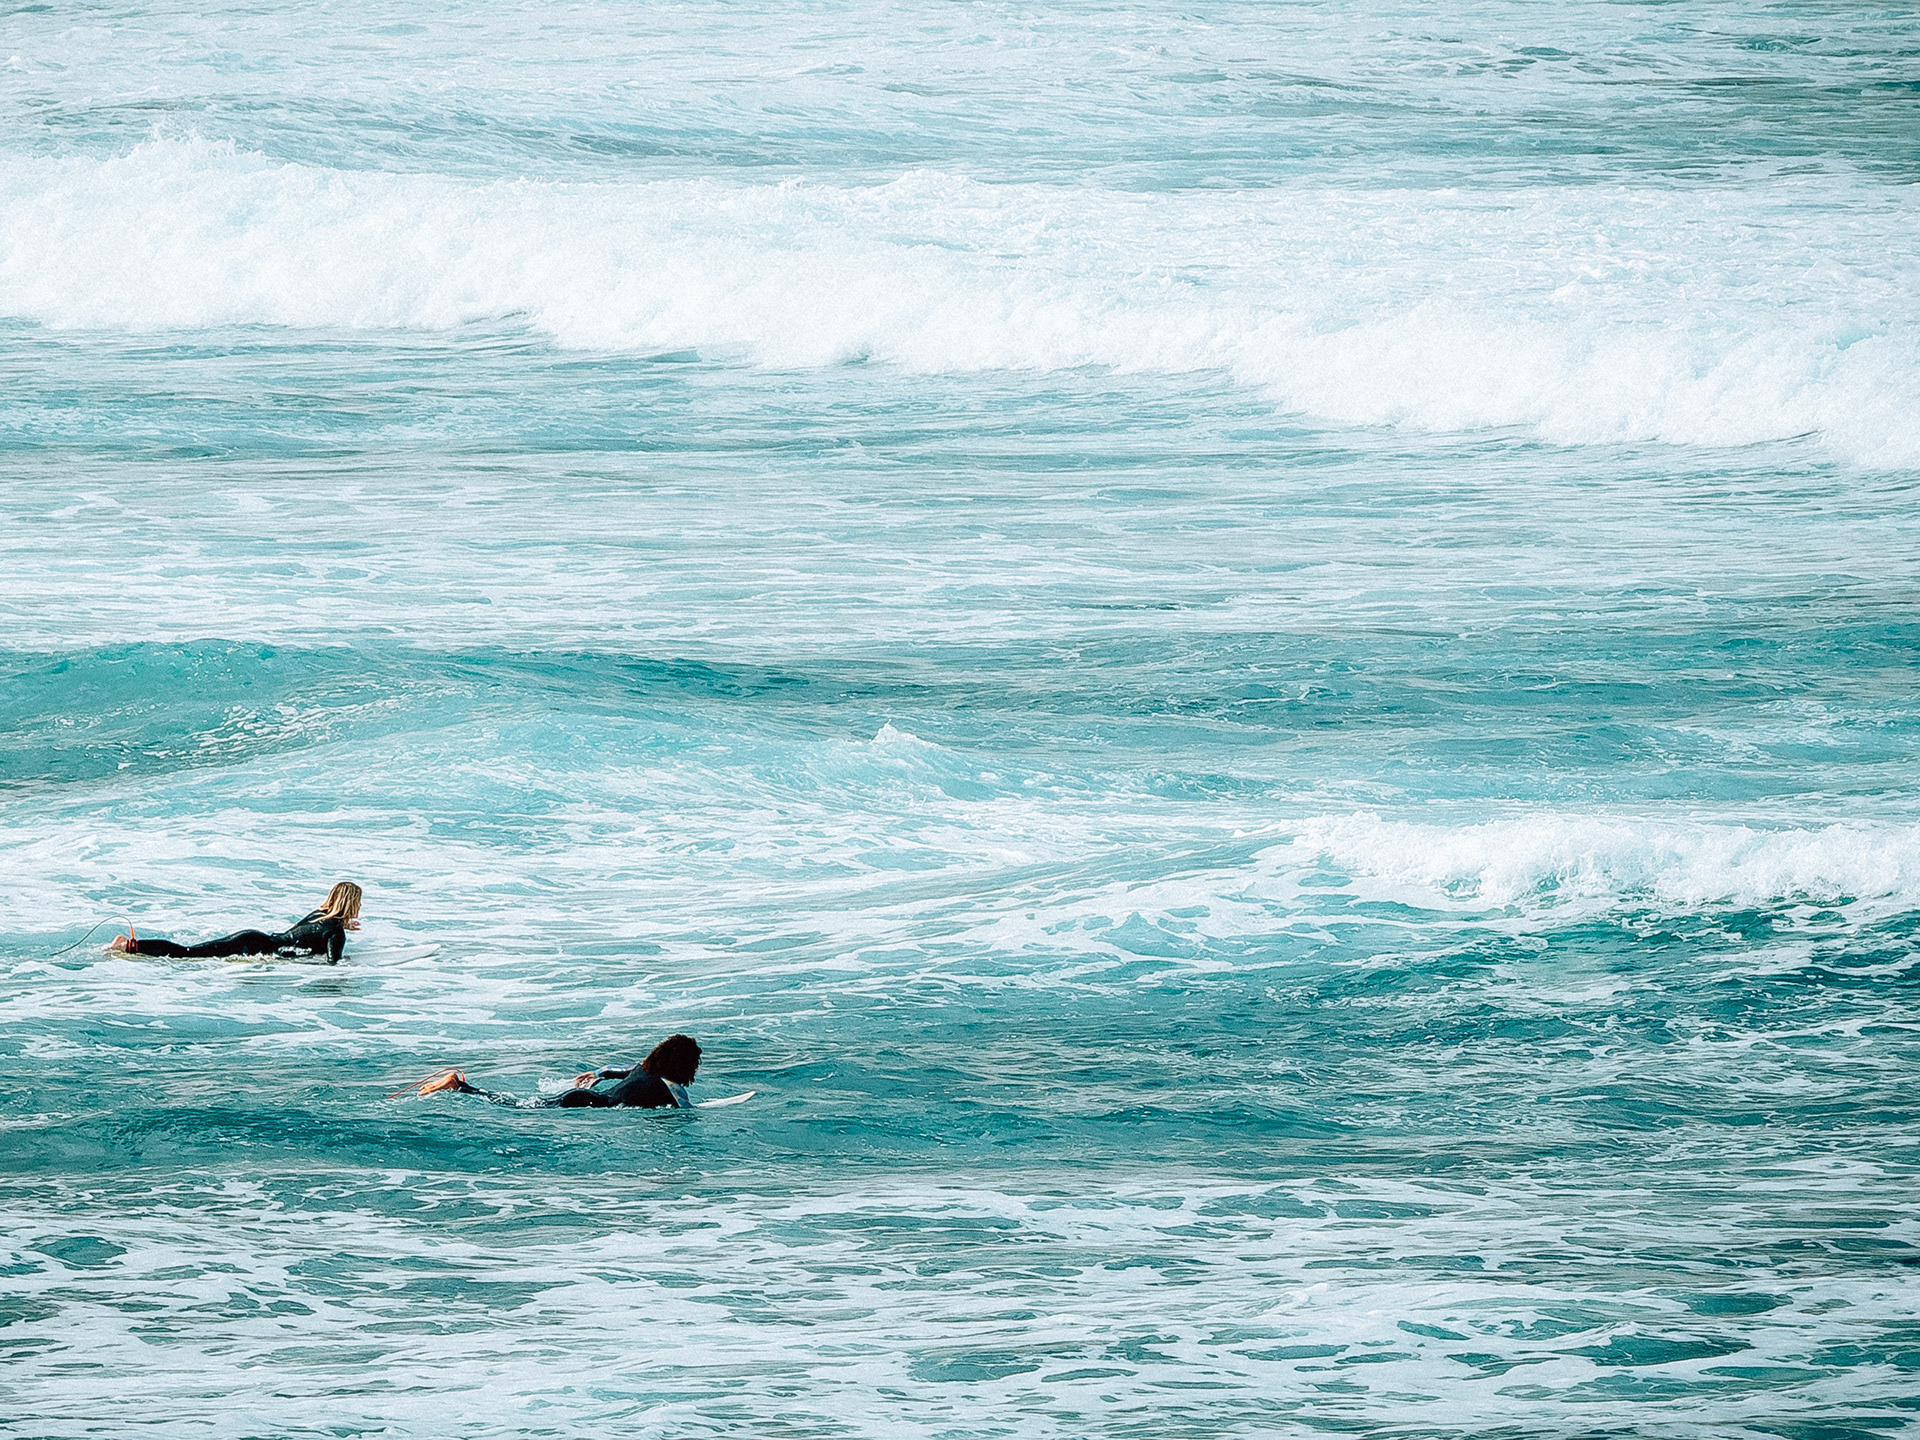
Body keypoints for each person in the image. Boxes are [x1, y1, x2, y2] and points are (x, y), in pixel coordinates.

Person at [414, 1033, 701, 1109]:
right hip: (585, 1104)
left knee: (517, 1104)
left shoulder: (641, 1069)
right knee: (516, 1108)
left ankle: (463, 1086)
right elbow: (685, 1108)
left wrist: (596, 1074)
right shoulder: (668, 1088)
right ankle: (459, 1085)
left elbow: (614, 1069)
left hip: (578, 1096)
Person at [108, 881, 363, 965]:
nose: (361, 907)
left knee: (189, 951)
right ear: (351, 904)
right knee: (186, 955)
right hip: (254, 948)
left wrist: (343, 926)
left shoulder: (320, 916)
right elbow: (333, 966)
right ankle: (129, 945)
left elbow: (312, 931)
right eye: (359, 903)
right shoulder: (335, 932)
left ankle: (130, 944)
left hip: (254, 938)